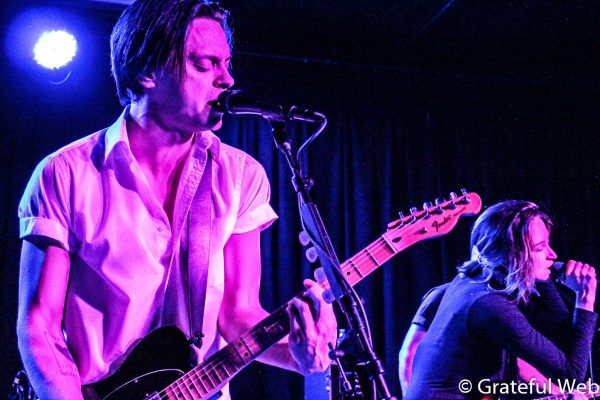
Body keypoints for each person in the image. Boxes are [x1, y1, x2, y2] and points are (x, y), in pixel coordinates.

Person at [16, 1, 337, 399]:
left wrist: (303, 358)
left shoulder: (240, 176)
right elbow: (40, 324)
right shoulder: (66, 173)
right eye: (204, 64)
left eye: (226, 64)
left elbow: (238, 313)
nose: (227, 79)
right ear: (146, 71)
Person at [404, 200, 597, 399]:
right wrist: (585, 298)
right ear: (512, 255)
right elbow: (571, 374)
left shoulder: (473, 281)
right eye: (540, 248)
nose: (553, 255)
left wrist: (541, 274)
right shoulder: (490, 305)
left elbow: (556, 320)